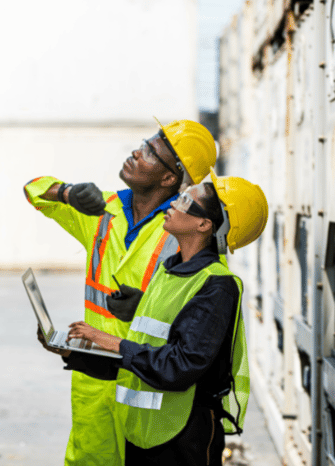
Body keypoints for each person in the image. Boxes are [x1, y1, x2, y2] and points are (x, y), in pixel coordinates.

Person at [24, 119, 217, 466]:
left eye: (148, 152)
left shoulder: (182, 229)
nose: (135, 152)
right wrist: (66, 192)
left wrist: (145, 306)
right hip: (94, 380)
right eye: (143, 143)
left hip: (147, 382)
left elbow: (201, 321)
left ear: (169, 178)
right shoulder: (101, 209)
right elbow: (34, 190)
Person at [57, 169, 268, 465]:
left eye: (183, 201)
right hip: (143, 432)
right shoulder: (169, 270)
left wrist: (111, 341)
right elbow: (142, 355)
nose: (172, 204)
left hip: (181, 438)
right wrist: (76, 355)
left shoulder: (216, 285)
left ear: (204, 224)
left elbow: (179, 366)